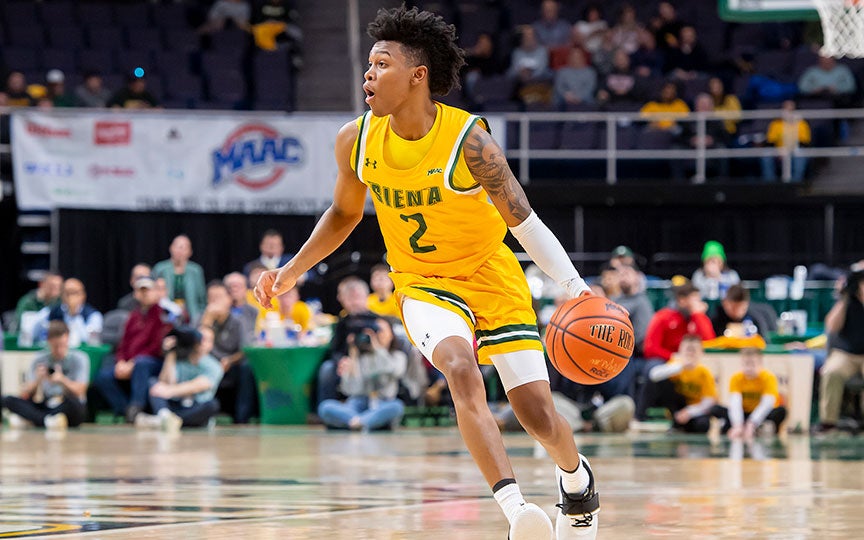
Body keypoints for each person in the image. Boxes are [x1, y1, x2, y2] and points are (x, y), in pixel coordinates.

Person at [254, 7, 600, 538]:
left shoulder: (471, 141)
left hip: (492, 276)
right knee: (459, 366)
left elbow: (523, 221)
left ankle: (576, 483)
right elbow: (345, 213)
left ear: (418, 76)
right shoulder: (357, 139)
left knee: (538, 416)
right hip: (422, 284)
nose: (368, 74)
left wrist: (575, 289)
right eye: (368, 64)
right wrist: (291, 269)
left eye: (382, 64)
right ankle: (517, 512)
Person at [94, 276, 170, 422]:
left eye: (148, 290)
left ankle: (137, 406)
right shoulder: (133, 316)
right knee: (102, 377)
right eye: (141, 290)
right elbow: (123, 344)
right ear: (136, 294)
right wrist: (121, 361)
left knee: (142, 364)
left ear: (155, 292)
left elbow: (156, 346)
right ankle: (124, 410)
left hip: (153, 362)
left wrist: (132, 363)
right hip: (130, 362)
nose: (145, 294)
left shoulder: (162, 315)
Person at [317, 317, 407, 431]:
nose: (377, 335)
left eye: (380, 331)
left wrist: (377, 348)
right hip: (357, 404)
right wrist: (352, 354)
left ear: (391, 334)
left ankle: (357, 422)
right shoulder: (360, 358)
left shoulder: (398, 356)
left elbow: (391, 370)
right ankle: (362, 422)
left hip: (383, 403)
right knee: (325, 407)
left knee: (397, 406)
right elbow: (349, 390)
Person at [2, 321, 88, 430]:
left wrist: (62, 380)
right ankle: (47, 421)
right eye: (55, 346)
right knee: (8, 400)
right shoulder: (40, 359)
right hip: (48, 404)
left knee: (76, 406)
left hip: (66, 404)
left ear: (68, 339)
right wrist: (38, 380)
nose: (59, 350)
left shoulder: (79, 358)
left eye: (62, 345)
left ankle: (34, 420)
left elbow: (80, 391)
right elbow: (26, 394)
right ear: (48, 342)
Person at [135, 327, 223, 432]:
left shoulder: (214, 366)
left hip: (194, 406)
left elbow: (198, 386)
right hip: (175, 404)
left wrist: (170, 391)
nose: (202, 342)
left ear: (212, 344)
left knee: (212, 405)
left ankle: (162, 421)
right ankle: (165, 417)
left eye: (207, 340)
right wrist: (170, 353)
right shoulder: (181, 360)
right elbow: (165, 382)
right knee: (153, 382)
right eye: (200, 338)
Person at [199, 281, 257, 424]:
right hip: (205, 362)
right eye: (211, 298)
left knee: (246, 367)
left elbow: (245, 349)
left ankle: (241, 418)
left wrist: (230, 360)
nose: (215, 302)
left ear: (229, 300)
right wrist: (207, 320)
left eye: (219, 298)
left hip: (231, 363)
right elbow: (197, 346)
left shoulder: (238, 321)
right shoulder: (201, 318)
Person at [814, 269, 864, 435]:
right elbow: (831, 327)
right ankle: (828, 423)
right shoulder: (847, 301)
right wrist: (843, 298)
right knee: (831, 371)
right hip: (846, 354)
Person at [636, 334, 717, 432]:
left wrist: (689, 412)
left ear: (700, 352)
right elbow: (653, 375)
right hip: (676, 406)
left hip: (694, 409)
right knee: (660, 380)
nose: (690, 353)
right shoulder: (675, 365)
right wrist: (681, 366)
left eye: (694, 350)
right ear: (680, 350)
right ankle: (639, 416)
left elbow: (709, 401)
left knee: (703, 425)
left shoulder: (704, 373)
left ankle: (682, 425)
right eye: (688, 350)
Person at [713, 348, 787, 438]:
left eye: (752, 364)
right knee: (716, 409)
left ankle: (774, 433)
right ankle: (732, 428)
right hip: (743, 412)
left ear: (760, 364)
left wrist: (752, 423)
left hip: (761, 413)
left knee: (781, 411)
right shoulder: (736, 378)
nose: (749, 368)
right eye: (746, 364)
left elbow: (767, 403)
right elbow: (735, 403)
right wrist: (737, 424)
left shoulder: (768, 378)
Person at [644, 282, 715, 362]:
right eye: (695, 299)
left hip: (691, 362)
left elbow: (710, 344)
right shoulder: (663, 317)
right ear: (682, 300)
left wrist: (698, 315)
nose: (699, 303)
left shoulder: (699, 318)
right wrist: (674, 357)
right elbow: (650, 349)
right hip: (664, 360)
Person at [152, 234, 207, 322]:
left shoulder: (196, 270)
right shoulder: (160, 269)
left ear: (190, 252)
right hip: (166, 314)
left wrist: (200, 315)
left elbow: (202, 298)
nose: (180, 250)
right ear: (171, 248)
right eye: (177, 246)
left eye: (184, 248)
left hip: (191, 315)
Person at [39, 278, 103, 348]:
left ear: (83, 295)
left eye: (74, 293)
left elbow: (90, 341)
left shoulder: (93, 315)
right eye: (67, 293)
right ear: (62, 295)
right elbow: (42, 336)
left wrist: (74, 314)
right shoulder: (52, 312)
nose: (71, 297)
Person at [760, 100, 811, 182]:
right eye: (786, 109)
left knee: (801, 155)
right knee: (766, 154)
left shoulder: (802, 123)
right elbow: (771, 141)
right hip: (778, 150)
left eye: (791, 109)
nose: (788, 112)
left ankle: (795, 184)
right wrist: (781, 151)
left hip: (795, 149)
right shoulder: (775, 124)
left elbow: (804, 141)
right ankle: (770, 184)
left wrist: (788, 150)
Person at [710, 284, 777, 339]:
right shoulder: (716, 319)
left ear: (747, 304)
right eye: (734, 308)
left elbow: (764, 342)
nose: (738, 313)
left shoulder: (756, 319)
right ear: (725, 303)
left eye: (742, 309)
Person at [224, 271, 259, 341]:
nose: (234, 289)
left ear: (245, 288)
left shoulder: (253, 311)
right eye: (231, 286)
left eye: (238, 286)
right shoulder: (221, 311)